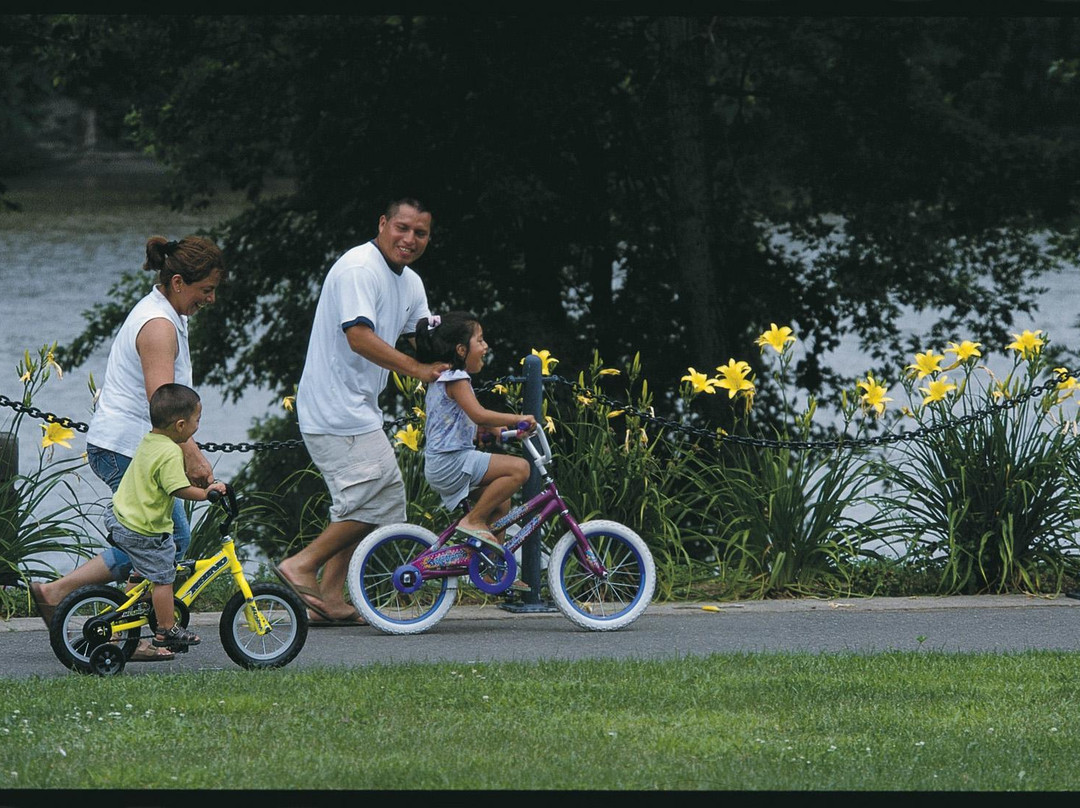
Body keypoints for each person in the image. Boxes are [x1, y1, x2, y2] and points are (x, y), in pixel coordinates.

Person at [30, 234, 225, 661]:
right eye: (205, 289)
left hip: (133, 446)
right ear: (177, 282)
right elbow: (163, 400)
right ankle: (112, 626)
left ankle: (70, 599)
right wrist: (193, 457)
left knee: (162, 538)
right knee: (163, 538)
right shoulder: (158, 326)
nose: (210, 299)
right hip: (126, 447)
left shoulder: (166, 314)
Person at [272, 197, 450, 626]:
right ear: (383, 223)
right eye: (402, 228)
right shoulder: (359, 267)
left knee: (366, 502)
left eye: (420, 233)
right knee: (380, 498)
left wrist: (464, 345)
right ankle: (301, 565)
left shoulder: (409, 283)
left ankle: (330, 598)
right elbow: (359, 336)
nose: (409, 240)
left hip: (356, 407)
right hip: (335, 409)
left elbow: (423, 336)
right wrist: (419, 371)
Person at [414, 311, 537, 578]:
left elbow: (467, 420)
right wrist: (520, 418)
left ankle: (493, 567)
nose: (485, 346)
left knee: (501, 503)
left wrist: (495, 430)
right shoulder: (456, 379)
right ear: (461, 349)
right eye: (479, 341)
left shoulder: (442, 378)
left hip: (444, 462)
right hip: (451, 461)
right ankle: (473, 521)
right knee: (520, 469)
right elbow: (478, 413)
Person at [105, 383, 227, 649]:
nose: (198, 426)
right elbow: (178, 489)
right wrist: (207, 493)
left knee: (141, 569)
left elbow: (162, 477)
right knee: (163, 576)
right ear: (181, 425)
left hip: (121, 518)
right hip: (143, 528)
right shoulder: (172, 451)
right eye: (197, 420)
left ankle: (125, 617)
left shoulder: (150, 441)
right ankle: (166, 629)